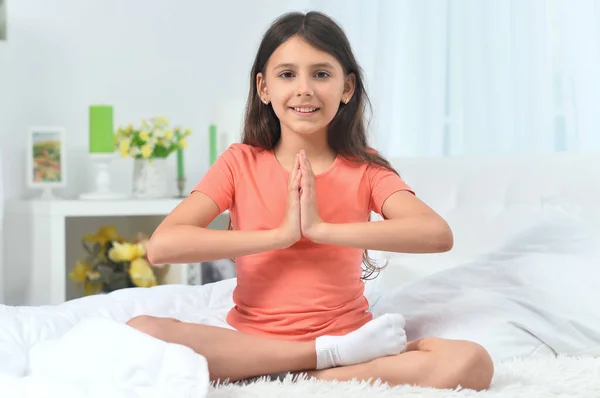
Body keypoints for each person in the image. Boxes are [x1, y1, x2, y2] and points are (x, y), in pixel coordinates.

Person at [127, 11, 494, 391]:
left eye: (321, 74)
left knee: (471, 362)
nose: (304, 89)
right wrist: (279, 236)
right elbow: (162, 246)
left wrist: (320, 229)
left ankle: (310, 364)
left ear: (347, 88)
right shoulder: (239, 162)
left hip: (349, 335)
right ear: (263, 88)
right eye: (287, 74)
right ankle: (323, 359)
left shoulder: (365, 169)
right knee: (139, 333)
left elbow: (437, 234)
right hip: (252, 345)